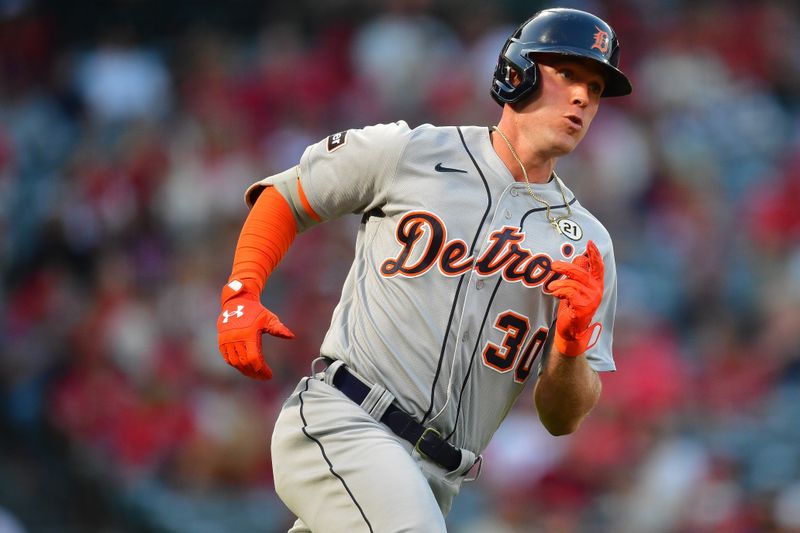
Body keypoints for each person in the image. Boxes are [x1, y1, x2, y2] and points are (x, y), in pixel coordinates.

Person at [216, 7, 632, 532]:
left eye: (595, 89)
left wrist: (570, 349)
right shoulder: (412, 151)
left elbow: (562, 417)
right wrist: (241, 291)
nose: (583, 98)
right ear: (518, 72)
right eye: (568, 74)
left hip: (438, 479)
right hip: (347, 421)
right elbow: (288, 195)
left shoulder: (589, 245)